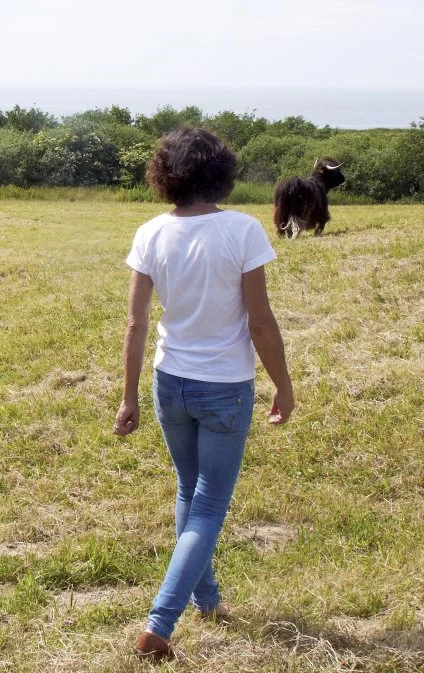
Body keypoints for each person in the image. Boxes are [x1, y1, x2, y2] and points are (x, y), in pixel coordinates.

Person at [112, 126, 294, 662]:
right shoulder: (242, 230)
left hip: (169, 384)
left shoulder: (150, 233)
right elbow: (260, 322)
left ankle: (209, 600)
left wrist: (129, 398)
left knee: (189, 493)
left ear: (165, 176)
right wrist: (284, 385)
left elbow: (134, 325)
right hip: (225, 389)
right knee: (209, 504)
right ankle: (158, 624)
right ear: (221, 171)